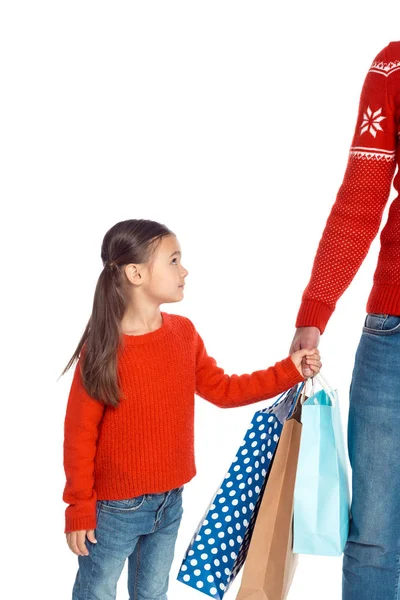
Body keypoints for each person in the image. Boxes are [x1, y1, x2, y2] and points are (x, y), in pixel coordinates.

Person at [61, 218, 321, 600]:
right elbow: (79, 437)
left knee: (152, 594)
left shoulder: (183, 334)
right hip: (114, 510)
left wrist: (288, 371)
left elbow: (225, 389)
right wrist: (79, 507)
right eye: (173, 260)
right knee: (96, 593)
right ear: (135, 273)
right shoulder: (102, 351)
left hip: (170, 501)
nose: (184, 270)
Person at [288, 41, 400, 600]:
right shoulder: (394, 65)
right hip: (394, 328)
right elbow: (362, 197)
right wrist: (316, 310)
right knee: (374, 533)